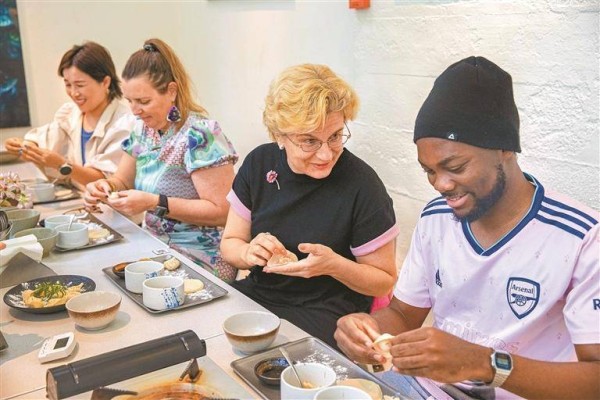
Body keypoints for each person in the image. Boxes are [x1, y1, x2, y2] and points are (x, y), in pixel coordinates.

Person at [334, 56, 600, 399]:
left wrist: (484, 364)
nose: (441, 185)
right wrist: (367, 330)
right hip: (429, 389)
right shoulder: (436, 218)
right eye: (429, 171)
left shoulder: (581, 237)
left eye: (456, 167)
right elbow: (402, 313)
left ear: (504, 149)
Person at [220, 64, 399, 349]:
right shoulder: (259, 164)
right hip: (259, 293)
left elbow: (384, 281)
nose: (326, 154)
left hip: (326, 308)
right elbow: (231, 242)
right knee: (209, 336)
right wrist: (248, 252)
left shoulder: (362, 185)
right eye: (309, 141)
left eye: (335, 136)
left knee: (274, 361)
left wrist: (334, 266)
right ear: (279, 135)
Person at [83, 39, 238, 282]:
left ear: (171, 91)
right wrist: (105, 186)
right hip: (153, 246)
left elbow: (223, 212)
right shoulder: (142, 129)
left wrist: (154, 203)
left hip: (201, 255)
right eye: (129, 101)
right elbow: (122, 180)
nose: (135, 110)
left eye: (144, 101)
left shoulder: (200, 135)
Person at [4, 41, 133, 187]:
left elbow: (108, 181)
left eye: (80, 85)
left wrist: (62, 164)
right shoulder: (70, 113)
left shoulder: (124, 123)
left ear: (105, 82)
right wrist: (24, 145)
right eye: (68, 84)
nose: (73, 93)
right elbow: (43, 138)